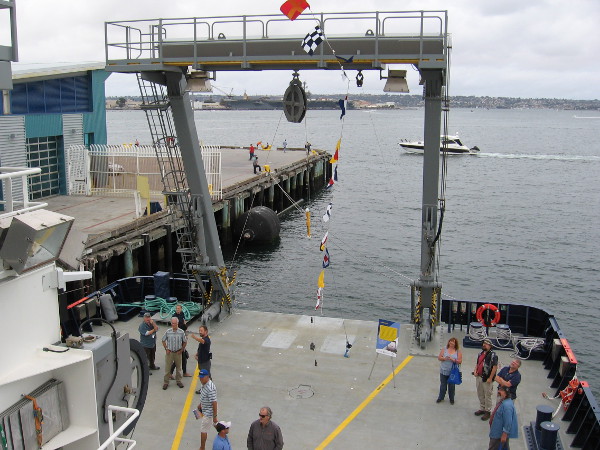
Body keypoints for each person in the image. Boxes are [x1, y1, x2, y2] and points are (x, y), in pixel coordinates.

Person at [473, 338, 498, 420]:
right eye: (483, 343)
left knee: (487, 395)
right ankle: (482, 408)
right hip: (479, 377)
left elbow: (494, 367)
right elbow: (477, 363)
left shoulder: (493, 355)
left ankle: (488, 411)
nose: (484, 345)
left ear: (490, 346)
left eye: (486, 344)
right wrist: (475, 371)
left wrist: (490, 378)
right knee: (480, 393)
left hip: (487, 379)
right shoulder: (480, 354)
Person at [488, 385, 518, 450]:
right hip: (496, 432)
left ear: (505, 393)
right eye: (499, 389)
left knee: (493, 447)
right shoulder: (503, 402)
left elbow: (508, 421)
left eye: (501, 390)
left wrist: (504, 434)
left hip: (498, 434)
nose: (499, 391)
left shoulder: (507, 406)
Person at [162, 317, 187, 390]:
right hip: (170, 352)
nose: (173, 325)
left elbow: (185, 341)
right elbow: (163, 340)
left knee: (178, 368)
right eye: (172, 323)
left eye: (175, 323)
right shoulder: (168, 331)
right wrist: (166, 348)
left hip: (178, 353)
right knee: (167, 368)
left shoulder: (181, 332)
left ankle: (178, 381)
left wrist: (181, 350)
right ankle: (166, 382)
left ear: (177, 323)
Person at [436, 337, 462, 404]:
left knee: (451, 386)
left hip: (452, 372)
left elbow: (460, 361)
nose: (451, 343)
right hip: (443, 370)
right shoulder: (444, 349)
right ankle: (440, 397)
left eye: (453, 342)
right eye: (450, 341)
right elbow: (439, 357)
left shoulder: (458, 351)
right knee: (443, 385)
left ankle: (451, 399)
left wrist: (452, 359)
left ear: (455, 344)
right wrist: (444, 358)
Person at [198, 369, 218, 450]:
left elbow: (214, 403)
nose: (200, 379)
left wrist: (215, 416)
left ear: (207, 377)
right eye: (200, 377)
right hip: (205, 409)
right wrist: (201, 404)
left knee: (203, 430)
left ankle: (202, 447)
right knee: (214, 424)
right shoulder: (204, 384)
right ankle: (222, 430)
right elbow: (204, 395)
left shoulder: (210, 388)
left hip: (209, 413)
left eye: (202, 377)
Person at [189, 325, 212, 394]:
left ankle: (208, 389)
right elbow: (201, 348)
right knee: (204, 376)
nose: (200, 332)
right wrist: (197, 354)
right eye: (199, 331)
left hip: (205, 362)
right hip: (201, 361)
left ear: (206, 331)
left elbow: (202, 341)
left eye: (201, 331)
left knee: (206, 376)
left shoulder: (206, 340)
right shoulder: (204, 339)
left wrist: (195, 337)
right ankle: (206, 389)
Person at [170, 304, 191, 377]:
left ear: (181, 309)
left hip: (182, 334)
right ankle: (171, 373)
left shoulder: (182, 314)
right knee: (179, 357)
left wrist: (185, 332)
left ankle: (184, 372)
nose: (177, 310)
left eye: (179, 308)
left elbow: (184, 322)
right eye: (177, 308)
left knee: (183, 356)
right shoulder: (174, 317)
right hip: (178, 337)